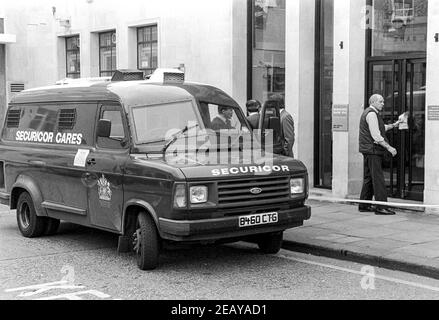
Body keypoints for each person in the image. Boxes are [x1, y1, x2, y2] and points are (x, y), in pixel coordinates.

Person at [358, 94, 401, 215]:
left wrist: (393, 125)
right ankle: (381, 207)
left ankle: (364, 205)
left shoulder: (370, 113)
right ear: (373, 102)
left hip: (368, 150)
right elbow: (376, 135)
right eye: (381, 102)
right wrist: (389, 147)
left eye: (383, 101)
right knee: (378, 179)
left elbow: (380, 128)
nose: (383, 104)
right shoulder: (372, 114)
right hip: (373, 150)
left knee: (369, 178)